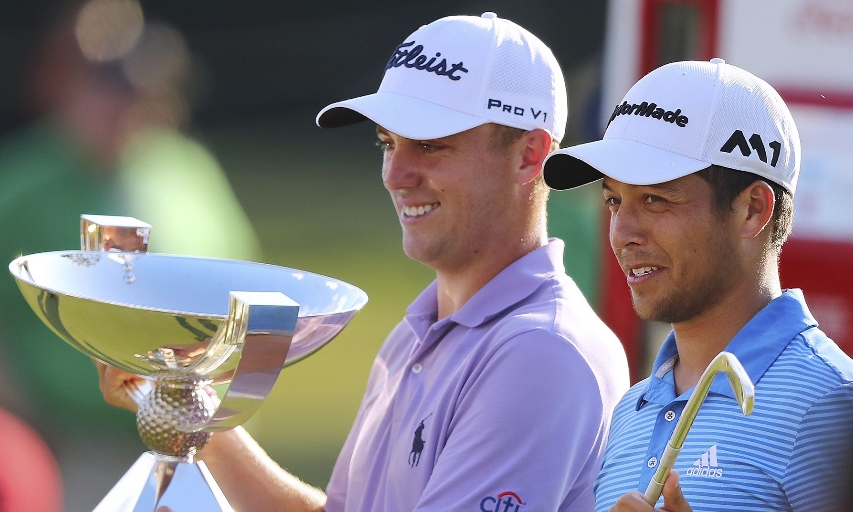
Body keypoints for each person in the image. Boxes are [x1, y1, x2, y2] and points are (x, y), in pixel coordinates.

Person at [97, 12, 630, 512]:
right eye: (387, 143)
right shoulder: (419, 332)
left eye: (430, 145)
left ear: (530, 155)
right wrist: (199, 421)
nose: (395, 174)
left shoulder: (541, 353)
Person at [543, 58, 853, 512]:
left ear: (752, 210)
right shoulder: (631, 411)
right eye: (614, 200)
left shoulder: (831, 403)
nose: (623, 232)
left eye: (655, 199)